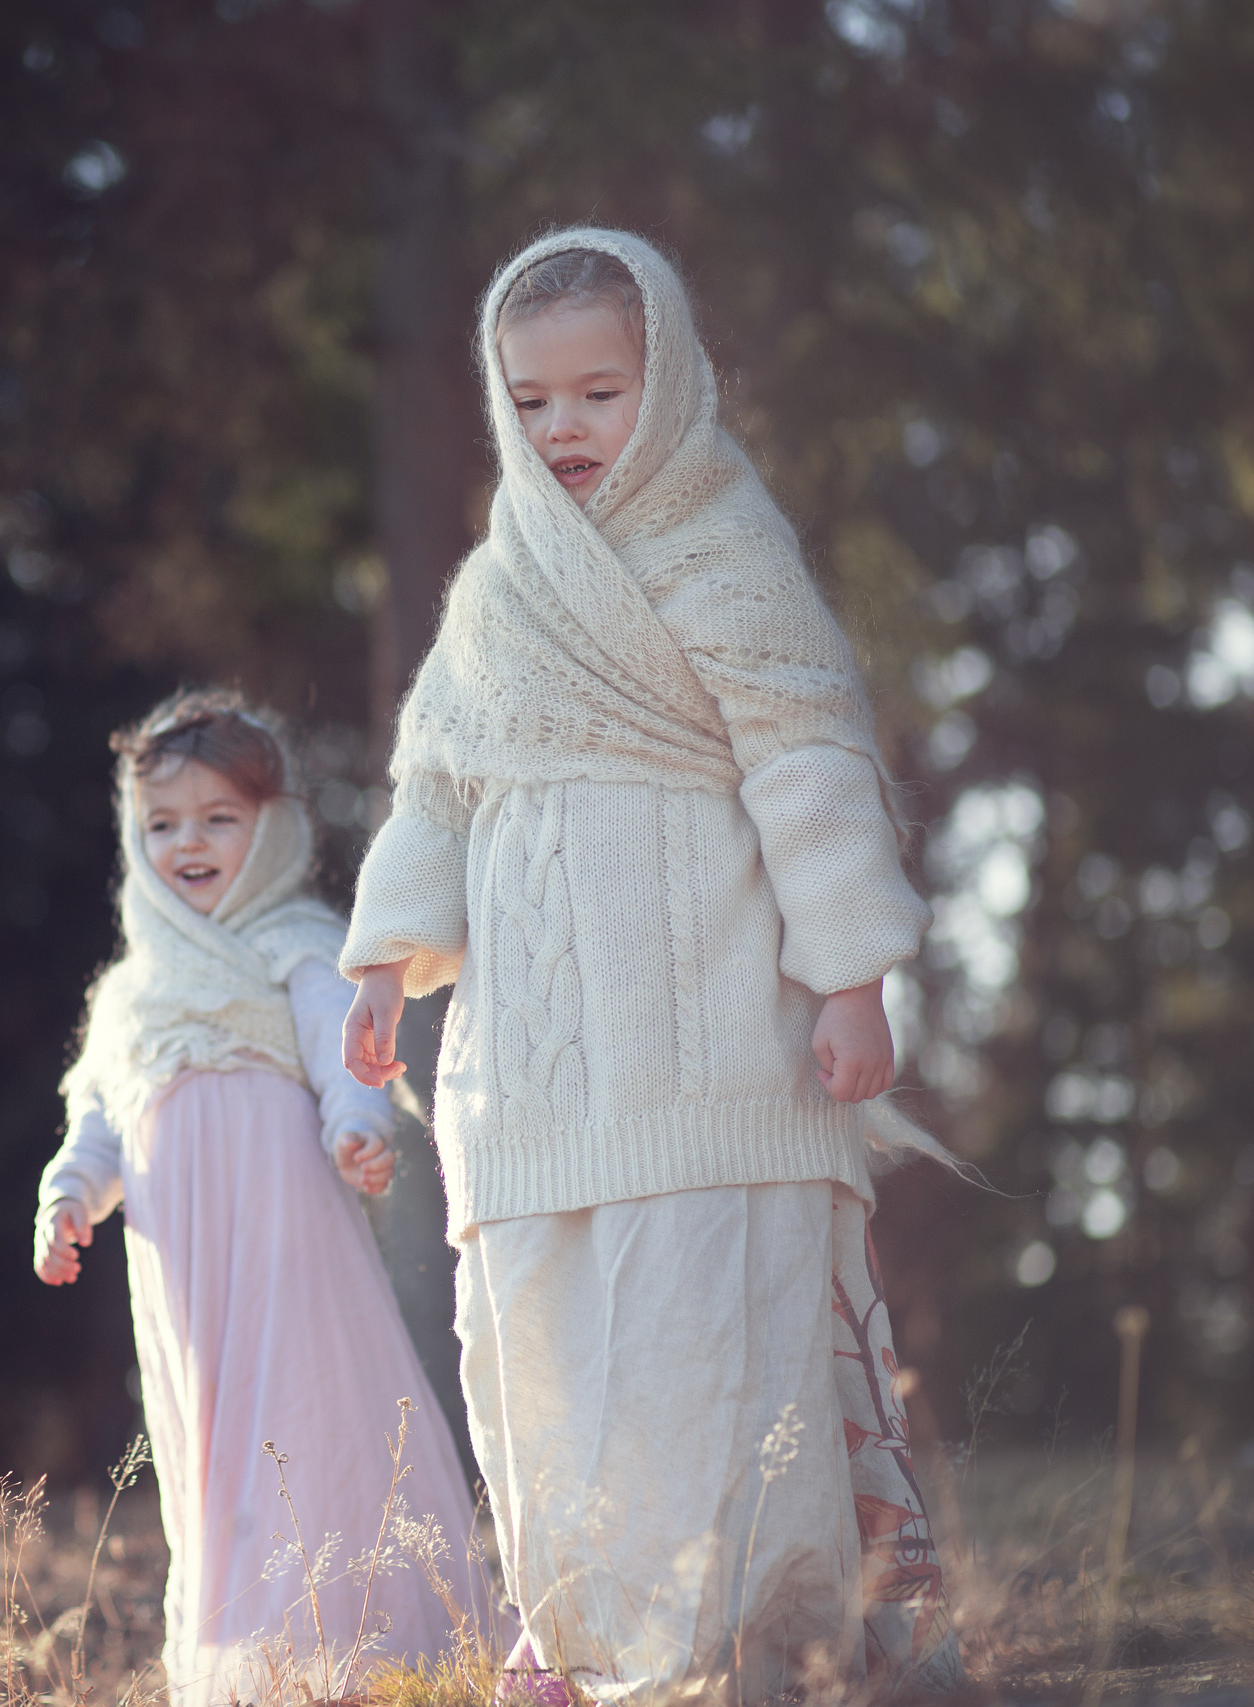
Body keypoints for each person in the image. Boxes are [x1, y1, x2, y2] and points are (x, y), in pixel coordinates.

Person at [340, 228, 964, 1703]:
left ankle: (748, 1649)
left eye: (600, 393)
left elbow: (809, 760)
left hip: (707, 1038)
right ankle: (580, 1635)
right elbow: (433, 785)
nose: (565, 429)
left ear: (669, 381)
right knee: (548, 1358)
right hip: (534, 1063)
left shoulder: (726, 546)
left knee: (709, 1347)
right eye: (534, 399)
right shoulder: (499, 587)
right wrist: (381, 962)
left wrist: (858, 972)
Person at [34, 690, 493, 1707]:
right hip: (185, 1276)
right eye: (161, 824)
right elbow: (99, 1118)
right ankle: (254, 1667)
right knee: (215, 1453)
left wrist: (355, 1125)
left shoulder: (292, 938)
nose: (185, 843)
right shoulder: (128, 994)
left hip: (286, 1245)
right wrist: (68, 1195)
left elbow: (345, 1050)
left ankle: (363, 1655)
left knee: (308, 1420)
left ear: (273, 826)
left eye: (218, 819)